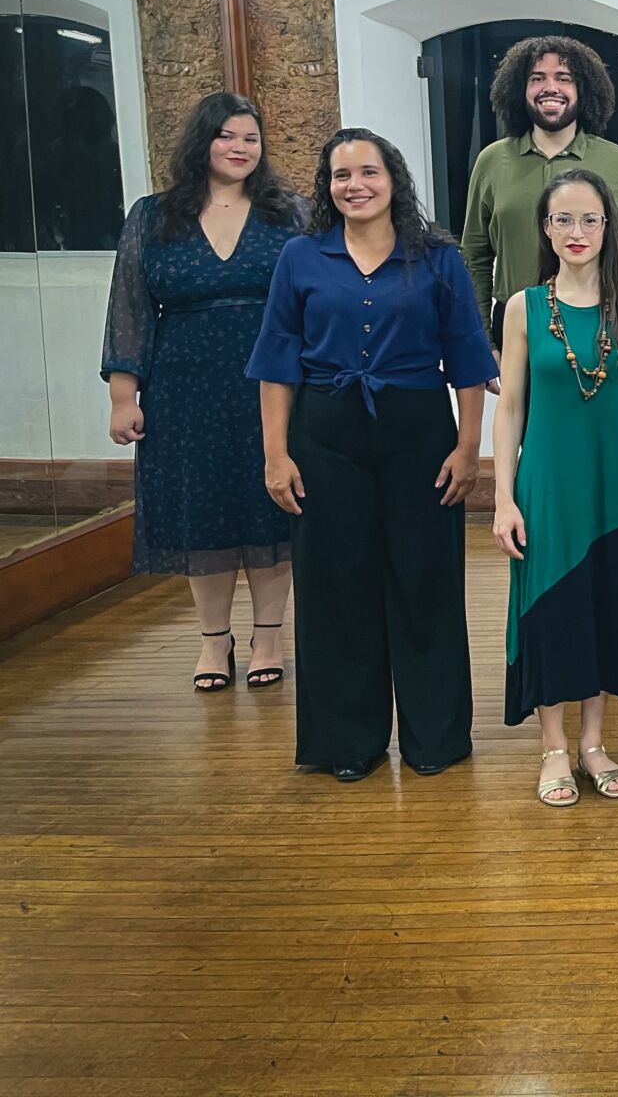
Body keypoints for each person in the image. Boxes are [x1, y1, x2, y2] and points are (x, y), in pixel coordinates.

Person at [250, 128, 495, 783]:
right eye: (341, 175)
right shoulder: (301, 257)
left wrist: (469, 448)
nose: (355, 185)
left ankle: (435, 736)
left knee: (426, 583)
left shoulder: (437, 258)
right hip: (324, 435)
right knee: (335, 585)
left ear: (394, 180)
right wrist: (276, 455)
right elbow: (276, 363)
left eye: (368, 172)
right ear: (327, 186)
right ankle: (346, 742)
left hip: (420, 433)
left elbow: (469, 359)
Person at [102, 92, 303, 691]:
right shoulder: (153, 216)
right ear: (201, 141)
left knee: (272, 509)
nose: (240, 148)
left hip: (276, 383)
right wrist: (123, 396)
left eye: (250, 138)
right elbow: (129, 306)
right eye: (226, 136)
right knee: (202, 511)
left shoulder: (289, 212)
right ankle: (214, 640)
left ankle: (269, 635)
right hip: (184, 390)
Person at [493, 170, 618, 807]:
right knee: (549, 610)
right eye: (562, 219)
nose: (576, 231)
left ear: (608, 227)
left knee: (603, 605)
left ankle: (594, 744)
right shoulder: (523, 307)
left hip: (615, 486)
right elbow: (510, 406)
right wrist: (503, 497)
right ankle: (553, 748)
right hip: (546, 487)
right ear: (545, 229)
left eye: (589, 219)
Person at [460, 34, 618, 348]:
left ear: (583, 89)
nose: (550, 87)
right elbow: (475, 258)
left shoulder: (617, 162)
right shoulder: (492, 161)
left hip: (601, 326)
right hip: (517, 324)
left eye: (564, 78)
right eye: (537, 78)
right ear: (520, 89)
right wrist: (484, 342)